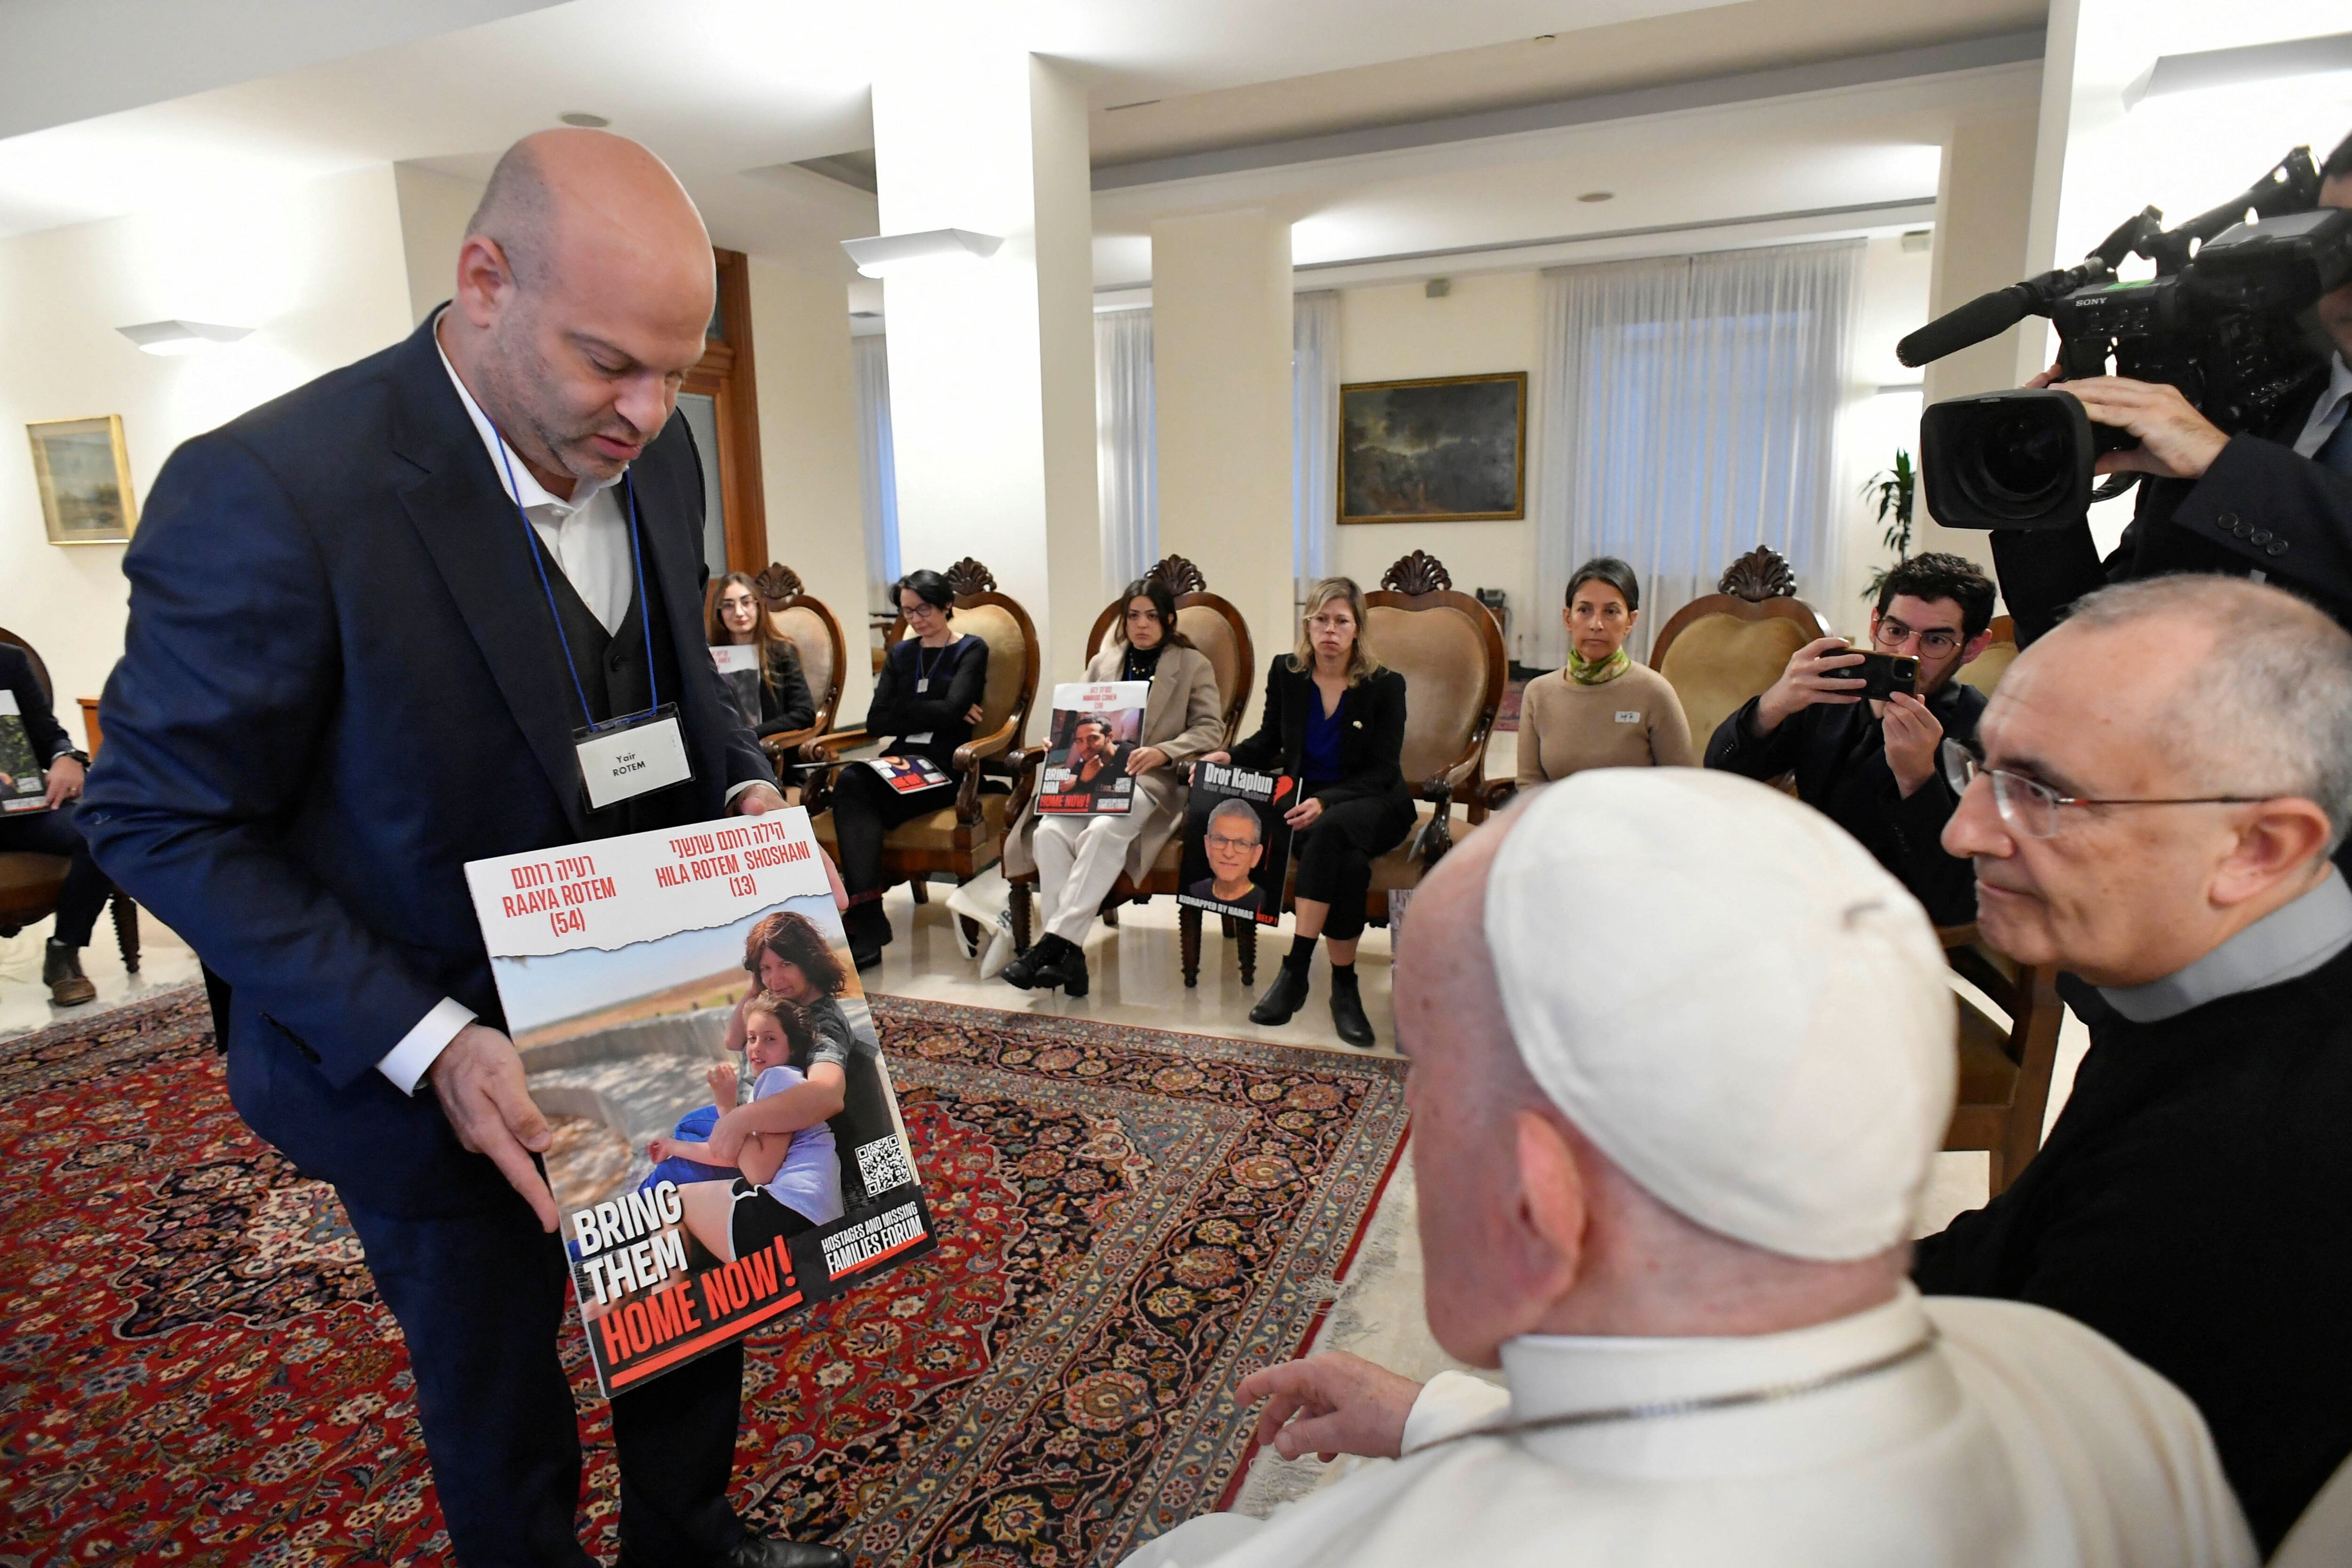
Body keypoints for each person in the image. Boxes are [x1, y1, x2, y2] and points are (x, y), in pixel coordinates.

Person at [78, 130, 846, 1568]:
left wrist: (746, 798)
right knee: (495, 1392)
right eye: (611, 362)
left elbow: (681, 692)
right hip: (434, 1058)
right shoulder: (274, 486)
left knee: (691, 1298)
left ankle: (688, 1543)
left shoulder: (658, 450)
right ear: (482, 279)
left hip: (661, 989)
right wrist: (428, 1039)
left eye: (676, 369)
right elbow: (153, 814)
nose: (649, 410)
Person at [1126, 770, 2253, 1568]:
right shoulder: (2106, 1395)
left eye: (1426, 1069)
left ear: (1535, 1204)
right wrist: (1440, 1418)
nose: (1413, 1110)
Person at [1913, 573, 2352, 1554]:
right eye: (1976, 769)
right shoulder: (2205, 989)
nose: (1963, 830)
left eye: (2040, 791)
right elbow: (2024, 1247)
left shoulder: (2251, 1173)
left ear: (2256, 845)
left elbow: (2018, 1511)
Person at [1991, 128, 2352, 645]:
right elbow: (2087, 646)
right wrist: (2036, 495)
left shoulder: (2225, 457)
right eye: (2331, 236)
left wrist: (2224, 465)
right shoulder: (2248, 413)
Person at [1705, 551, 1995, 925]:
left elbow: (1953, 899)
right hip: (1799, 899)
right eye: (1896, 631)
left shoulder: (1980, 731)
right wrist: (1773, 705)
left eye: (1936, 641)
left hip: (1892, 927)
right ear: (1876, 624)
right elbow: (1722, 771)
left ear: (1972, 647)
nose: (1907, 654)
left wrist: (1916, 780)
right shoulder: (1831, 690)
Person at [1207, 578, 1412, 1049]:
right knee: (1346, 861)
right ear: (1308, 624)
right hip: (1308, 803)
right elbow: (1269, 741)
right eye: (1321, 619)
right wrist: (1232, 757)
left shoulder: (1385, 685)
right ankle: (1344, 988)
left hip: (1373, 801)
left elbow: (1383, 771)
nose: (1329, 631)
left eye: (1341, 621)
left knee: (1331, 826)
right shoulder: (1287, 673)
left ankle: (1295, 970)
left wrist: (1328, 801)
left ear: (1357, 628)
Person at [1001, 576, 1223, 997]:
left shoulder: (1193, 665)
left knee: (1104, 829)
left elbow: (1211, 730)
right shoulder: (1105, 663)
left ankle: (1049, 945)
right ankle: (1070, 959)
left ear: (1169, 620)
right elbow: (1076, 717)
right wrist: (1059, 741)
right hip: (1094, 777)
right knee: (1048, 832)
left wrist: (1164, 751)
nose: (1142, 625)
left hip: (1151, 782)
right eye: (1133, 616)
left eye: (1152, 616)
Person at [819, 568, 987, 969]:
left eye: (923, 609)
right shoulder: (901, 654)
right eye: (907, 612)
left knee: (855, 790)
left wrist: (912, 711)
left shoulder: (971, 649)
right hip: (898, 764)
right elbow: (877, 722)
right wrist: (942, 711)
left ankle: (865, 921)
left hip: (945, 768)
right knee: (854, 781)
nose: (915, 620)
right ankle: (868, 914)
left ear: (947, 605)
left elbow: (943, 714)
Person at [722, 910, 894, 1207]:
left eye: (786, 964)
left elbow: (827, 1095)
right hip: (760, 1133)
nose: (775, 979)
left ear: (809, 961)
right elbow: (734, 1040)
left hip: (788, 1157)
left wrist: (739, 1119)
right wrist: (755, 986)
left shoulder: (822, 1023)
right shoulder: (787, 1007)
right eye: (766, 968)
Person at [657, 995, 843, 1266]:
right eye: (752, 1038)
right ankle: (610, 1303)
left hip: (791, 1218)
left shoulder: (780, 1078)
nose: (756, 1048)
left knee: (670, 1204)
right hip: (805, 1220)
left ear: (791, 1048)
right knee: (675, 1210)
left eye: (770, 1039)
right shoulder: (778, 1089)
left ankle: (659, 1297)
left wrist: (726, 1107)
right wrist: (672, 1147)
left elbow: (759, 1173)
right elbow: (731, 1154)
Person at [1515, 557, 1694, 787]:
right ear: (1568, 619)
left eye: (1611, 612)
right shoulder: (1538, 693)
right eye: (1585, 610)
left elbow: (1682, 786)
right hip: (1559, 820)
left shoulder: (1654, 692)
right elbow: (1529, 784)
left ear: (1630, 621)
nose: (1596, 624)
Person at [0, 640, 110, 1006]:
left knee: (101, 829)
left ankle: (64, 952)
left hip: (18, 812)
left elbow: (50, 735)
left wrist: (65, 757)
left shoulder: (8, 661)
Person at [707, 570, 816, 742]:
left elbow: (804, 714)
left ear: (758, 605)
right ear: (718, 611)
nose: (739, 612)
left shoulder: (782, 651)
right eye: (728, 605)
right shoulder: (710, 656)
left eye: (746, 602)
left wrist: (755, 734)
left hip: (772, 753)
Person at [1185, 798, 1268, 914]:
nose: (1228, 853)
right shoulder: (1195, 891)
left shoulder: (1263, 901)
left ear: (1256, 854)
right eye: (1220, 840)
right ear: (1207, 845)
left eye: (1241, 844)